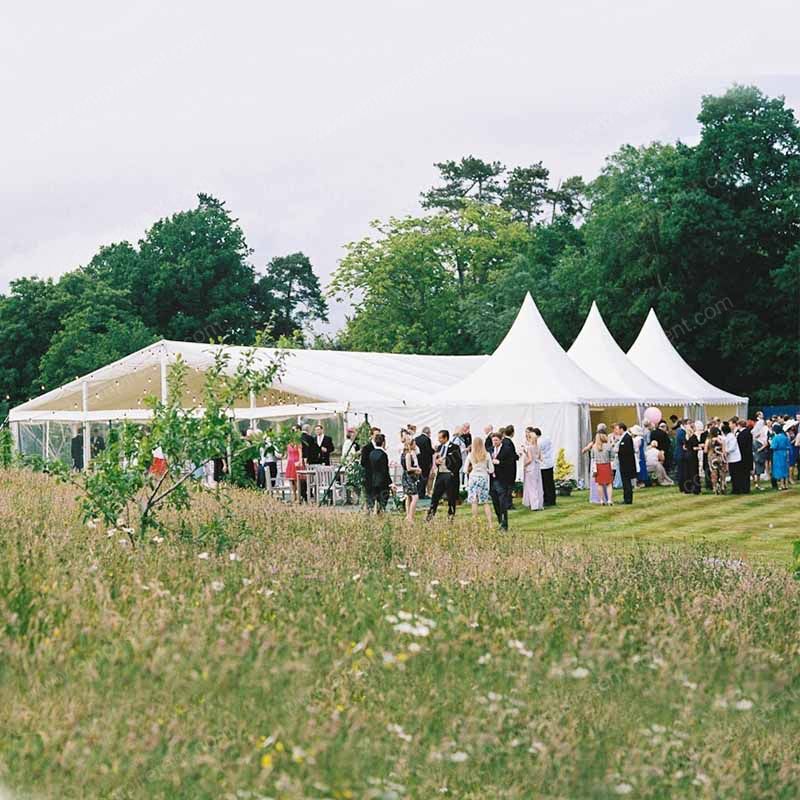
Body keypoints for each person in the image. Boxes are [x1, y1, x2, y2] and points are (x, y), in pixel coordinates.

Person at [426, 430, 462, 521]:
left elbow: (458, 461)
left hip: (449, 474)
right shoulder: (439, 447)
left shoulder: (454, 447)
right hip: (440, 473)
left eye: (440, 438)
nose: (439, 440)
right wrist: (437, 462)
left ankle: (451, 515)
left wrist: (451, 470)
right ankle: (430, 515)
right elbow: (436, 459)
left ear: (446, 437)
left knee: (451, 496)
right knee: (435, 495)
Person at [490, 426, 518, 529]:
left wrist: (499, 462)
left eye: (496, 440)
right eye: (493, 440)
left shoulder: (507, 450)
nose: (494, 442)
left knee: (502, 503)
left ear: (501, 440)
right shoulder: (490, 450)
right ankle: (500, 521)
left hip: (502, 479)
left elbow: (511, 463)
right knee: (495, 502)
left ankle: (504, 524)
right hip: (492, 479)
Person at [465, 436, 495, 527]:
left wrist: (472, 469)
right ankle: (490, 524)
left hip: (473, 477)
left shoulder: (470, 455)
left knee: (474, 501)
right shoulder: (487, 455)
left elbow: (465, 469)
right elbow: (491, 470)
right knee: (485, 501)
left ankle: (475, 523)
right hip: (483, 478)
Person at [368, 433, 392, 512]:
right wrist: (390, 482)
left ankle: (377, 513)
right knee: (383, 500)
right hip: (382, 481)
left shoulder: (371, 453)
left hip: (373, 479)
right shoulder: (383, 454)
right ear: (383, 443)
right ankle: (381, 513)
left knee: (376, 500)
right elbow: (385, 470)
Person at [521, 427, 544, 511]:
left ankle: (534, 505)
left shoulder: (530, 447)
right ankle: (539, 504)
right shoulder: (538, 446)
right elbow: (540, 458)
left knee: (532, 486)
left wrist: (524, 464)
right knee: (538, 485)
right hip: (537, 466)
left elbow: (530, 459)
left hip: (531, 467)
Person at [614, 422, 636, 504]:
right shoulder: (622, 438)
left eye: (617, 429)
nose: (616, 431)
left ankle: (628, 499)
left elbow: (627, 450)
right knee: (625, 482)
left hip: (627, 464)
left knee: (627, 482)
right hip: (623, 463)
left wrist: (619, 451)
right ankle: (626, 498)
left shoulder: (627, 438)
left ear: (621, 429)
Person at [590, 428, 614, 504]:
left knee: (600, 484)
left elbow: (592, 457)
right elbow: (612, 456)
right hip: (607, 465)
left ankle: (601, 500)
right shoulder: (608, 446)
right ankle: (609, 500)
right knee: (609, 484)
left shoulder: (594, 447)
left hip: (598, 466)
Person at [534, 427, 556, 507]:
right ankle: (552, 499)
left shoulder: (539, 442)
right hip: (549, 463)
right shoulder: (547, 439)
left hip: (543, 464)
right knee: (550, 482)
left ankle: (547, 499)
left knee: (545, 483)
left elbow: (537, 452)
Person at [360, 427, 381, 510]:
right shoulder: (367, 448)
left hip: (379, 476)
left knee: (380, 496)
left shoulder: (381, 446)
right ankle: (369, 512)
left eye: (379, 435)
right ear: (371, 435)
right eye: (376, 435)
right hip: (370, 475)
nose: (377, 437)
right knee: (370, 497)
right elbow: (363, 462)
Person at [401, 438, 421, 521]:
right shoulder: (408, 455)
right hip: (409, 477)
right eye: (414, 444)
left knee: (408, 496)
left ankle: (408, 515)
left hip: (406, 476)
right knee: (415, 497)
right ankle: (411, 516)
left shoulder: (403, 454)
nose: (415, 445)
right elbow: (409, 468)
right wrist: (417, 469)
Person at [705, 426, 727, 495]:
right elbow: (724, 449)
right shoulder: (721, 439)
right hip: (720, 457)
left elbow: (705, 450)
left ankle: (715, 487)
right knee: (722, 472)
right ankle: (723, 485)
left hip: (712, 457)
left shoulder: (708, 440)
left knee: (713, 473)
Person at [284, 425, 303, 503]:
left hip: (296, 462)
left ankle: (299, 497)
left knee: (297, 480)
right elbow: (286, 454)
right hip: (290, 462)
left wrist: (300, 462)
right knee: (291, 480)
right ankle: (293, 495)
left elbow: (300, 453)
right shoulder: (288, 443)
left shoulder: (298, 443)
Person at [682, 421, 702, 495]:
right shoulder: (694, 437)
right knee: (694, 472)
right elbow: (694, 448)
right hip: (692, 456)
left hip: (686, 455)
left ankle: (687, 488)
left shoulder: (686, 437)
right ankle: (696, 489)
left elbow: (684, 447)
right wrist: (700, 448)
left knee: (687, 472)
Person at [723, 421, 743, 494]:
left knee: (736, 475)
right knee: (733, 475)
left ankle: (737, 489)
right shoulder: (728, 437)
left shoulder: (731, 437)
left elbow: (732, 447)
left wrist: (726, 451)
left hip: (735, 458)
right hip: (731, 459)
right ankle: (735, 488)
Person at [414, 426, 434, 498]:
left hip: (418, 460)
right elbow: (429, 451)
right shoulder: (427, 439)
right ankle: (422, 493)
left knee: (419, 478)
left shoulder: (416, 439)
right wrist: (434, 450)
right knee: (425, 477)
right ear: (428, 433)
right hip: (426, 462)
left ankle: (418, 492)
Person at [770, 423, 790, 490]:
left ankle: (781, 485)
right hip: (785, 453)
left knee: (779, 469)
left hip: (777, 454)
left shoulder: (776, 438)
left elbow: (773, 447)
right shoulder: (785, 437)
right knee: (785, 468)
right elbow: (788, 446)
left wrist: (770, 442)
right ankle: (786, 484)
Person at [736, 419, 753, 494]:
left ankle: (743, 488)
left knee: (742, 473)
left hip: (742, 455)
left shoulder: (741, 434)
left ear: (739, 425)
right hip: (748, 455)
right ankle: (746, 488)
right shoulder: (749, 433)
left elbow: (740, 446)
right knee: (746, 473)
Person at [674, 420, 687, 491]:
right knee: (681, 471)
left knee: (682, 470)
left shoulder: (679, 431)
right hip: (681, 453)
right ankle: (682, 486)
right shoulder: (681, 432)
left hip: (680, 453)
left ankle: (682, 486)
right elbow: (684, 441)